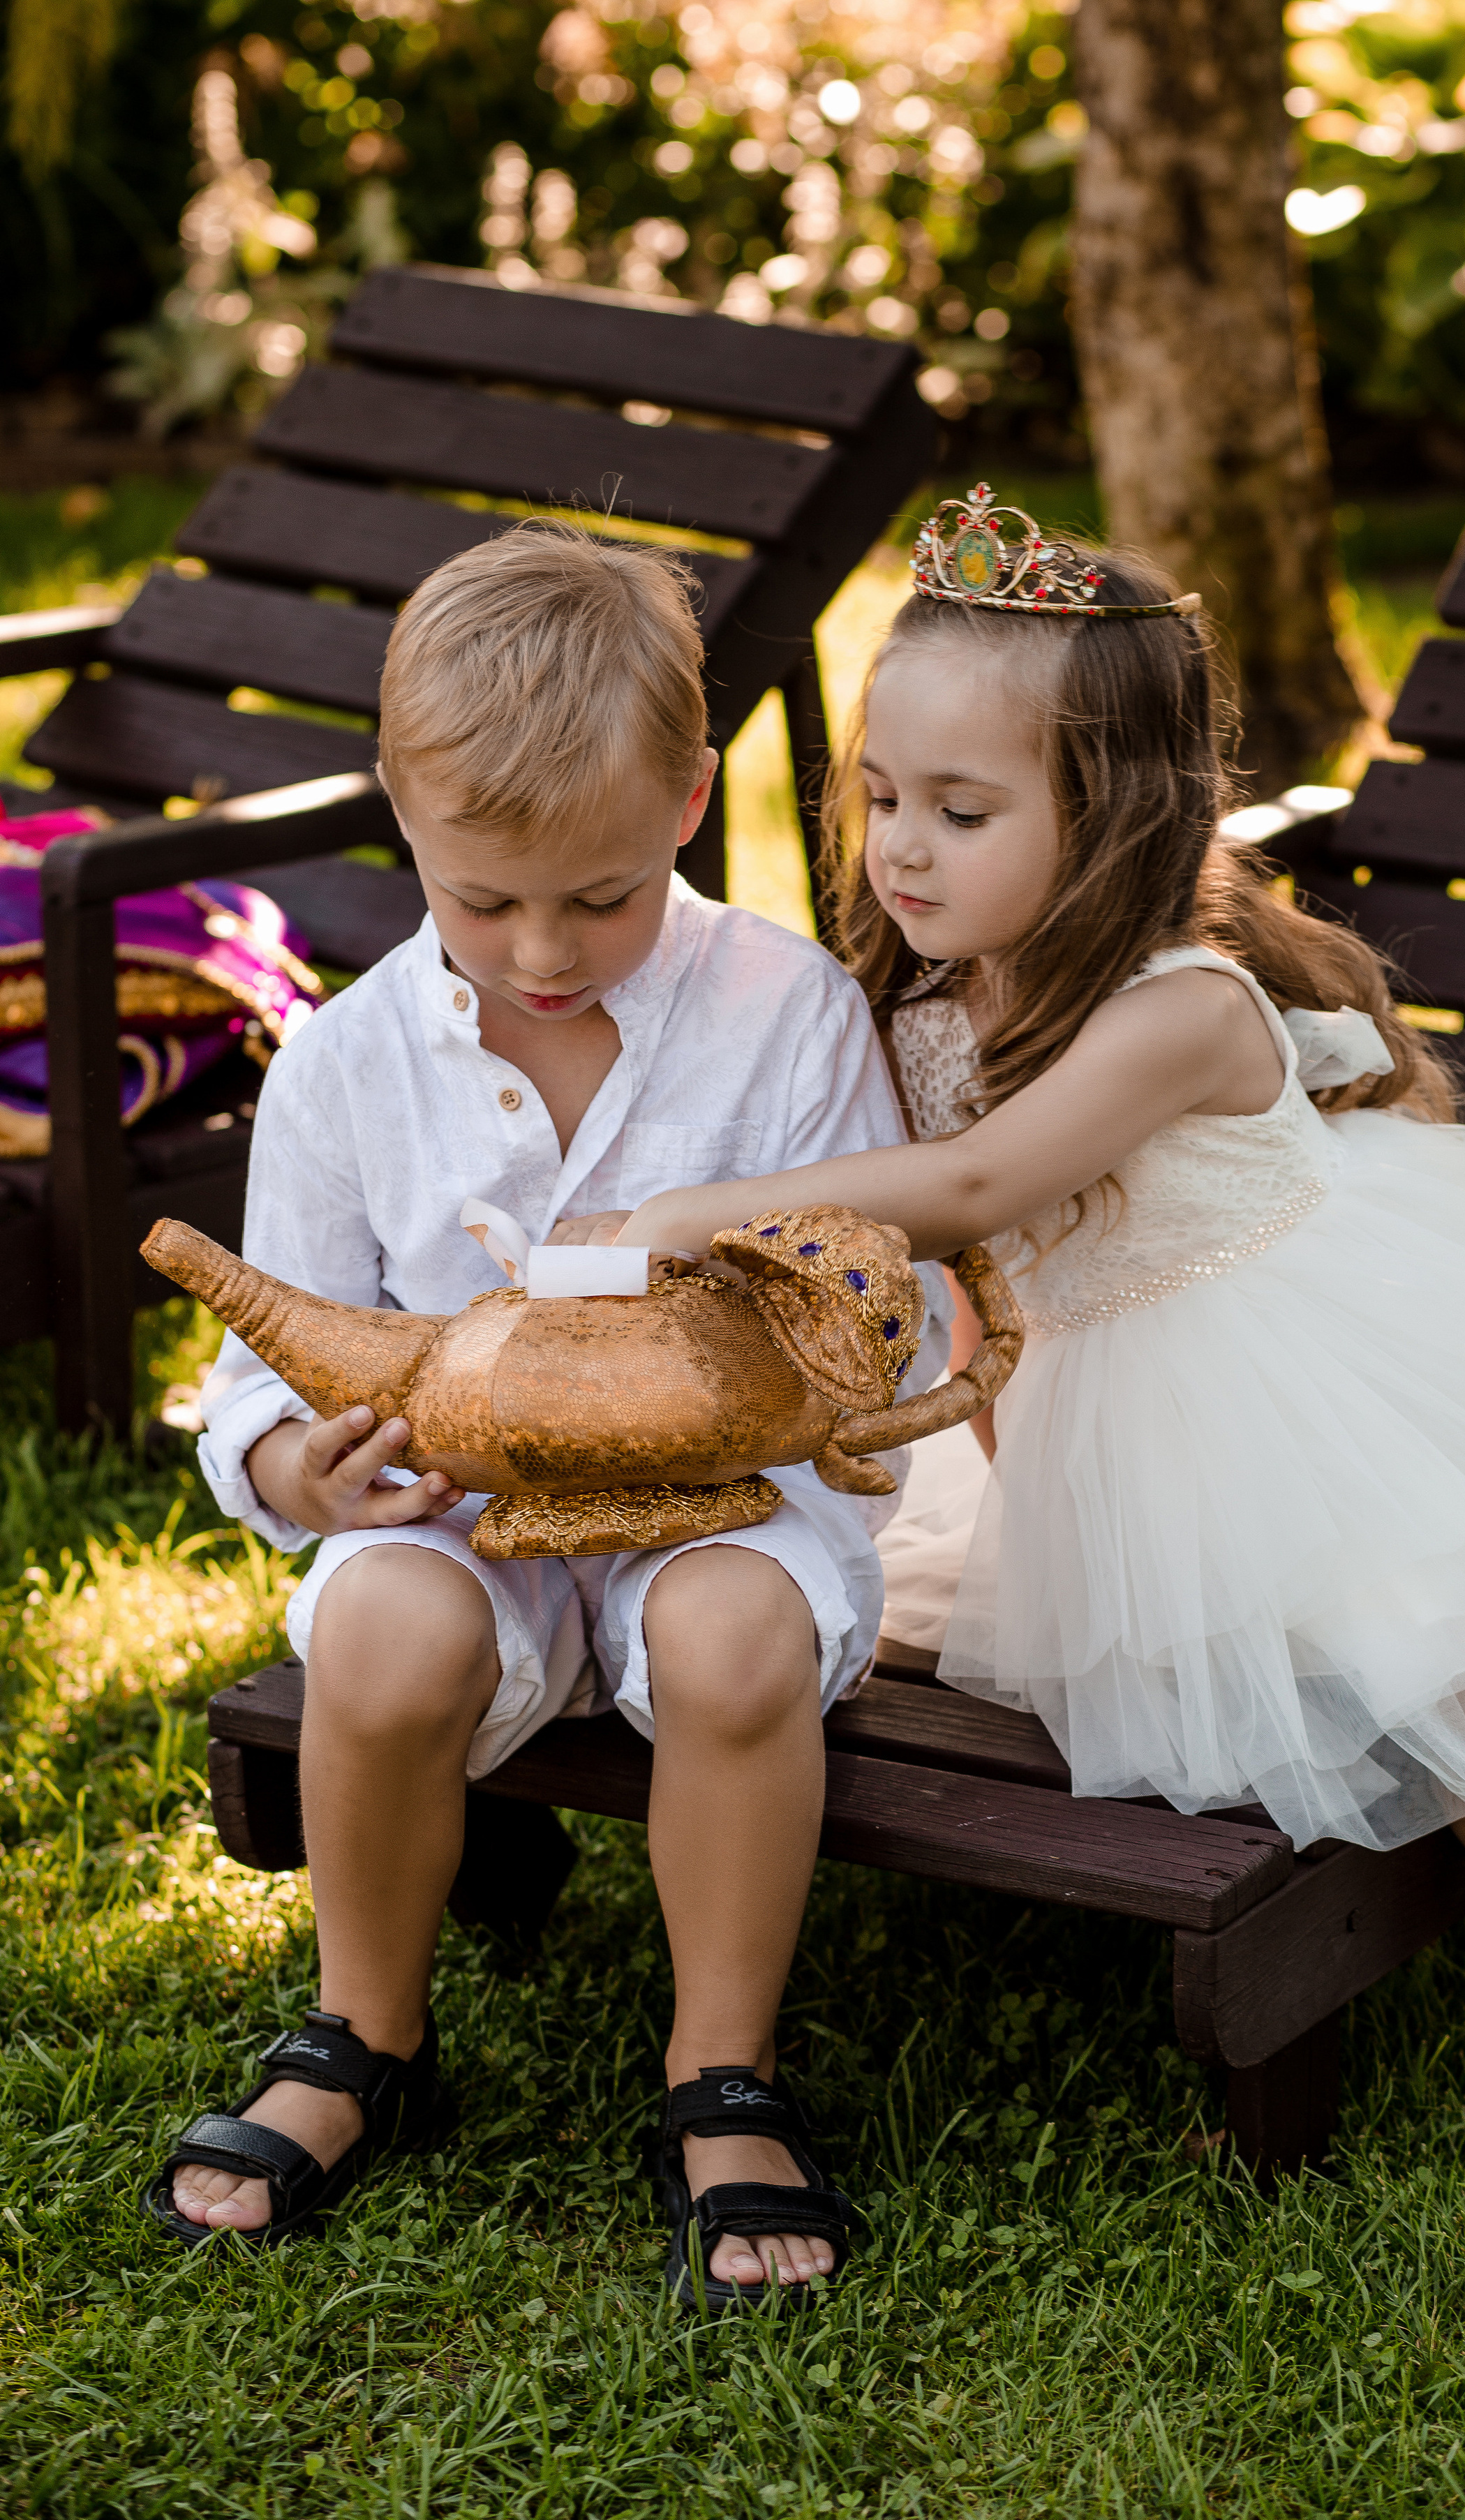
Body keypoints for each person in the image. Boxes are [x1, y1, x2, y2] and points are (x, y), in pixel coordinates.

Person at [598, 489, 1465, 2170]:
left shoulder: (1184, 1009)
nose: (901, 848)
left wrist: (681, 1217)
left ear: (1112, 820)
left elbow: (977, 1183)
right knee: (1393, 1659)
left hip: (1357, 1398)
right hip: (1142, 1441)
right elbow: (985, 1285)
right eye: (876, 799)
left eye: (959, 807)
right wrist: (1022, 1504)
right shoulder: (938, 1000)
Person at [145, 522, 947, 2307]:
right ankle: (366, 2034)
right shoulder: (351, 1058)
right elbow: (263, 1377)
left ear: (686, 795)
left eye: (597, 897)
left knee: (736, 1639)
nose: (543, 949)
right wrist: (306, 1464)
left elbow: (883, 1302)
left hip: (722, 1505)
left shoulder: (786, 1012)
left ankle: (718, 2072)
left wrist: (799, 1366)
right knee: (379, 1633)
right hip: (451, 1509)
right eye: (482, 899)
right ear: (400, 818)